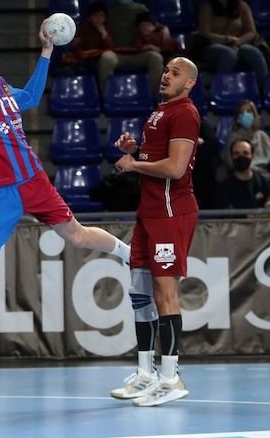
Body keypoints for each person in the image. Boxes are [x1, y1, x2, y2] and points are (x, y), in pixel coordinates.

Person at [0, 22, 131, 311]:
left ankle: (131, 254)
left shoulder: (4, 88)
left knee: (77, 236)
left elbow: (29, 97)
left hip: (34, 181)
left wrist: (46, 50)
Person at [112, 56, 201, 406]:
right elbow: (156, 157)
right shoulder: (160, 111)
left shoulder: (184, 113)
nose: (166, 75)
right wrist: (136, 150)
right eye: (166, 70)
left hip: (170, 212)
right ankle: (146, 373)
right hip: (148, 211)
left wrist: (134, 164)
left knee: (164, 293)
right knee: (139, 293)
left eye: (175, 73)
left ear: (189, 83)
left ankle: (171, 378)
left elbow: (177, 168)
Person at [196, 0, 268, 92]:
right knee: (229, 54)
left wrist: (239, 41)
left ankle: (264, 91)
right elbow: (204, 33)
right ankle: (220, 91)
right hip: (213, 46)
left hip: (238, 44)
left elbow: (251, 31)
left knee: (252, 51)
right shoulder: (207, 6)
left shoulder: (241, 5)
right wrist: (225, 39)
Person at [101, 0, 165, 97]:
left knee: (156, 58)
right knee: (106, 58)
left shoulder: (141, 9)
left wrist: (165, 29)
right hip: (117, 53)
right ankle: (108, 98)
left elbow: (153, 23)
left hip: (139, 52)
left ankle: (153, 98)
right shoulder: (110, 11)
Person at [216, 138, 270, 208]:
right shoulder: (224, 187)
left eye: (245, 153)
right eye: (237, 153)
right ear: (232, 157)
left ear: (252, 156)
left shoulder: (263, 182)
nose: (241, 157)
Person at [222, 99, 270, 175]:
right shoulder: (233, 137)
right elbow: (230, 163)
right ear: (238, 117)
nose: (246, 115)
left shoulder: (262, 135)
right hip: (244, 174)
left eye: (249, 111)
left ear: (254, 115)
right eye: (242, 112)